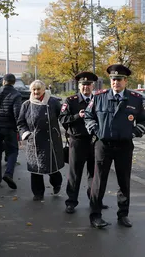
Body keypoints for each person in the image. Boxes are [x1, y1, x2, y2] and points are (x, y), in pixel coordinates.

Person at [85, 64, 145, 229]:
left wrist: (135, 132)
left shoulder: (135, 99)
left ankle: (123, 215)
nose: (116, 82)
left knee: (124, 181)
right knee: (99, 181)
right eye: (113, 79)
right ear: (110, 80)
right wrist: (95, 129)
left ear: (125, 81)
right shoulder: (99, 97)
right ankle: (95, 215)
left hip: (124, 145)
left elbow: (144, 119)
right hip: (103, 144)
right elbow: (88, 115)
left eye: (119, 79)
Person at [59, 72, 107, 214]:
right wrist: (77, 116)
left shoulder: (99, 99)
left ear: (93, 86)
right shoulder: (71, 100)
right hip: (78, 141)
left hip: (95, 142)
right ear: (79, 86)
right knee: (75, 173)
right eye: (83, 85)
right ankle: (71, 202)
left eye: (89, 85)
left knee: (95, 173)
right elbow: (62, 119)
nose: (86, 87)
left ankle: (94, 200)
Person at [17, 80, 64, 201]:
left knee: (52, 167)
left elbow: (63, 117)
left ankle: (56, 184)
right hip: (34, 141)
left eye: (38, 89)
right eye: (34, 89)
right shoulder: (26, 105)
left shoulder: (53, 102)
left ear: (43, 90)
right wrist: (26, 134)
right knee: (36, 169)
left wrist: (67, 131)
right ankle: (38, 193)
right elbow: (21, 122)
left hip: (51, 140)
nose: (36, 92)